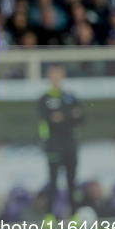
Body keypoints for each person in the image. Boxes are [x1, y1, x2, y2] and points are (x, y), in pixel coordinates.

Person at [38, 65, 84, 218]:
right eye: (53, 75)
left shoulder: (70, 96)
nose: (56, 78)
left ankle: (75, 215)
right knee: (53, 182)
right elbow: (51, 119)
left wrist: (62, 116)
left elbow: (81, 117)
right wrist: (69, 115)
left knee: (72, 182)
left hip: (70, 145)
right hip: (53, 145)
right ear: (49, 77)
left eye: (59, 75)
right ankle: (49, 216)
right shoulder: (44, 98)